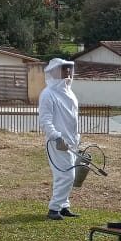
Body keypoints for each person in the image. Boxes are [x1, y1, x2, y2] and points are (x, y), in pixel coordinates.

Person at [39, 57, 81, 220]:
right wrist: (57, 137)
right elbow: (45, 121)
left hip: (70, 142)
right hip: (57, 143)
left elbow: (72, 119)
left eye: (69, 68)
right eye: (64, 69)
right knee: (67, 176)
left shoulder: (69, 93)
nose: (68, 72)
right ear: (55, 71)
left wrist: (75, 138)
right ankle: (54, 209)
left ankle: (63, 206)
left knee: (64, 175)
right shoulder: (48, 94)